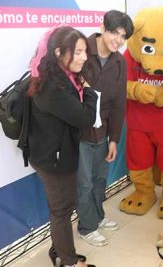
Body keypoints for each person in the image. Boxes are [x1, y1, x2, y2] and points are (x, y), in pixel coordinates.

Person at [27, 26, 97, 267]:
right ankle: (67, 261)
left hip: (55, 152)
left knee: (62, 207)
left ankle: (60, 251)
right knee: (62, 210)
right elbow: (85, 119)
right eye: (77, 52)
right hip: (54, 159)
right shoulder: (52, 87)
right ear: (58, 52)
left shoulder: (59, 77)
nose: (83, 57)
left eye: (84, 51)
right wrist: (90, 92)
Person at [76, 10, 133, 246]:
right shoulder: (81, 50)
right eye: (114, 33)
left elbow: (119, 103)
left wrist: (114, 139)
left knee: (100, 179)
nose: (117, 40)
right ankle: (86, 227)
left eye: (123, 36)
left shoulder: (119, 61)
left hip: (103, 131)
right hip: (79, 132)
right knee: (84, 183)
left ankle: (97, 217)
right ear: (102, 26)